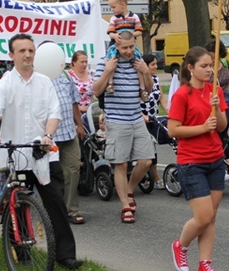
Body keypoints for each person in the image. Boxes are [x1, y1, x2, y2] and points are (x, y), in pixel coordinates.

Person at [0, 33, 82, 271]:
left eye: (30, 50)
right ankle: (20, 250)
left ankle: (65, 255)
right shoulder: (5, 83)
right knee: (15, 204)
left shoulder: (45, 82)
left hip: (42, 153)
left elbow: (54, 113)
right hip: (15, 154)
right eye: (22, 51)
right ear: (11, 55)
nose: (27, 55)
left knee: (55, 204)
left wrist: (48, 135)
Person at [168, 46, 229, 271]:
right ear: (190, 68)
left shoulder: (216, 91)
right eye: (203, 66)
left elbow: (221, 127)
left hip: (215, 159)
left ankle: (205, 265)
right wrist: (202, 128)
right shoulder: (183, 94)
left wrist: (218, 107)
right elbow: (174, 129)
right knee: (203, 216)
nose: (209, 70)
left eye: (211, 65)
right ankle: (180, 245)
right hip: (191, 161)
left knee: (211, 217)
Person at [92, 30, 154, 224]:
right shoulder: (106, 61)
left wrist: (145, 71)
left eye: (131, 47)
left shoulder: (138, 62)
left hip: (136, 117)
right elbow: (96, 91)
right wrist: (108, 71)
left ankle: (129, 188)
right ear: (116, 46)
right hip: (117, 120)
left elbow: (149, 90)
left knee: (146, 160)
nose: (128, 51)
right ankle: (125, 205)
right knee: (121, 164)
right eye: (124, 48)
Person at [52, 69, 86, 224]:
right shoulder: (36, 77)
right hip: (50, 135)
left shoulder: (65, 76)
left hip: (68, 132)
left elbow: (73, 102)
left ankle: (71, 210)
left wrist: (79, 124)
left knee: (73, 170)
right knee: (52, 174)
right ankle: (53, 211)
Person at [106, 0, 151, 101]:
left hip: (130, 44)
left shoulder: (134, 17)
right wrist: (115, 35)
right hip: (117, 44)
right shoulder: (113, 19)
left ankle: (142, 88)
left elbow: (139, 31)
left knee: (138, 63)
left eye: (114, 7)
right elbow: (110, 32)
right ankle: (110, 83)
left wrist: (130, 36)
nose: (112, 10)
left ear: (123, 4)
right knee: (110, 60)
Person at [204, 40, 229, 165]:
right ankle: (227, 163)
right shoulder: (207, 67)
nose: (212, 59)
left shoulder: (224, 63)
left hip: (225, 103)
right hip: (211, 103)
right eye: (209, 55)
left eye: (214, 56)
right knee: (220, 135)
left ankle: (226, 164)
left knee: (222, 134)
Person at [140, 53, 168, 190]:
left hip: (153, 118)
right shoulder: (138, 80)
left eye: (156, 64)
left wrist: (169, 111)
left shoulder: (155, 79)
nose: (156, 67)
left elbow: (161, 97)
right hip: (140, 119)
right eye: (153, 64)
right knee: (148, 149)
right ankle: (155, 177)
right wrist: (142, 116)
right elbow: (132, 101)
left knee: (153, 146)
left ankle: (150, 175)